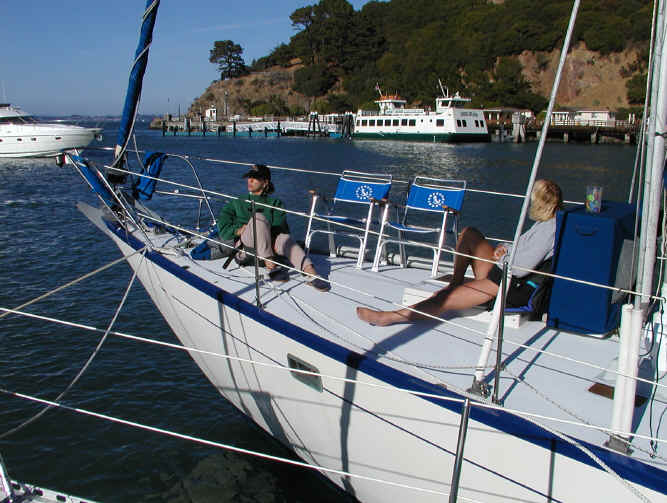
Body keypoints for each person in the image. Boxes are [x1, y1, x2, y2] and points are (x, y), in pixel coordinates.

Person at [356, 179, 563, 326]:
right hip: (501, 271)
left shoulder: (549, 230)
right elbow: (522, 248)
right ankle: (456, 281)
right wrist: (505, 248)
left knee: (444, 300)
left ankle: (389, 318)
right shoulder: (545, 222)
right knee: (469, 234)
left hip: (506, 283)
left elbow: (520, 268)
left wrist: (504, 256)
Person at [217, 164, 330, 292]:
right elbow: (224, 230)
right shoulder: (237, 202)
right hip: (246, 250)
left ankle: (312, 274)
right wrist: (239, 230)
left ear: (265, 183)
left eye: (255, 178)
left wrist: (265, 233)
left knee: (284, 238)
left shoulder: (275, 204)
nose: (250, 180)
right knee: (258, 218)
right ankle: (271, 266)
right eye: (249, 177)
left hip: (271, 246)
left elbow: (281, 231)